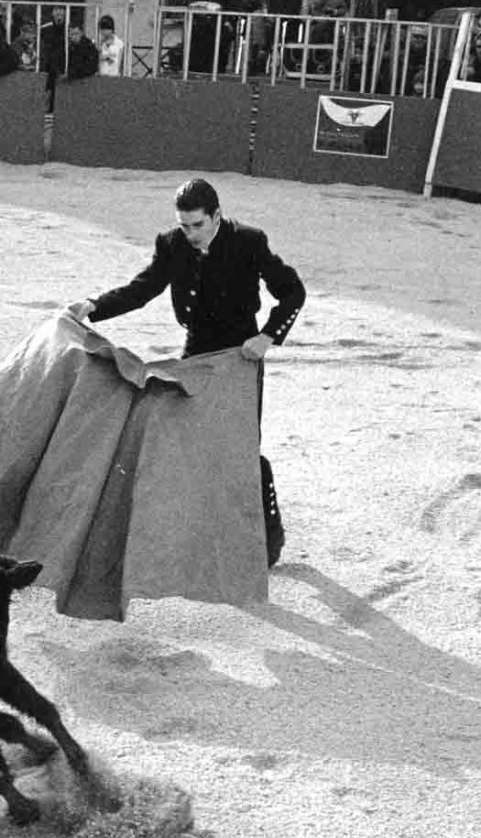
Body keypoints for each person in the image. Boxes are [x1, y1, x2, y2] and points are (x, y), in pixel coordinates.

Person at [68, 179, 305, 563]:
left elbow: (293, 291)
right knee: (189, 440)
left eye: (197, 225)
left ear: (216, 215)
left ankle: (270, 534)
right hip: (195, 350)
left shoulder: (248, 241)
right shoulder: (172, 243)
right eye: (184, 225)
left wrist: (267, 337)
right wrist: (94, 306)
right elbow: (143, 288)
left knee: (241, 446)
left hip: (239, 356)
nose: (190, 234)